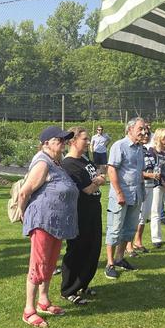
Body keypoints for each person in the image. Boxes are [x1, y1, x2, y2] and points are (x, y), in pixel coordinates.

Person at [18, 126, 78, 328]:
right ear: (45, 144)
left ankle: (43, 301)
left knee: (50, 263)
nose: (63, 142)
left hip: (55, 222)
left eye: (64, 140)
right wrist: (23, 214)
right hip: (42, 222)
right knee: (38, 264)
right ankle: (29, 310)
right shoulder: (43, 162)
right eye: (58, 140)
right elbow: (24, 192)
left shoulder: (55, 162)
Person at [60, 127, 106, 305]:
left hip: (94, 209)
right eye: (85, 139)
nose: (88, 142)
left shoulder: (85, 159)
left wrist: (98, 180)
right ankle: (68, 289)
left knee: (93, 249)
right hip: (80, 213)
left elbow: (97, 176)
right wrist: (99, 180)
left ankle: (83, 283)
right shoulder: (69, 164)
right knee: (77, 250)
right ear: (73, 141)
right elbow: (87, 189)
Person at [104, 118, 146, 280]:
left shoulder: (139, 148)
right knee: (115, 230)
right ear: (130, 129)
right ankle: (109, 264)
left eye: (144, 129)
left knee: (129, 230)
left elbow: (138, 173)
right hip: (121, 196)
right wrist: (119, 193)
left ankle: (120, 258)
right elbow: (112, 170)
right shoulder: (119, 145)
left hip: (136, 196)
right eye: (140, 129)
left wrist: (141, 193)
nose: (144, 132)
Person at [131, 125, 154, 255]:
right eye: (143, 133)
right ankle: (128, 245)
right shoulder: (134, 150)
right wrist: (149, 175)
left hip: (150, 186)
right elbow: (133, 171)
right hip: (140, 185)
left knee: (144, 216)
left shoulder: (148, 150)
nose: (146, 135)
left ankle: (138, 241)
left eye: (148, 133)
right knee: (134, 216)